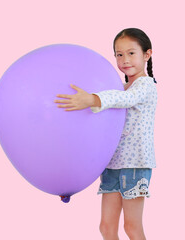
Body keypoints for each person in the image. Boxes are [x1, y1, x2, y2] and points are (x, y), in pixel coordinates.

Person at [54, 28, 157, 240]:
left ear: (147, 54)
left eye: (131, 53)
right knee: (106, 228)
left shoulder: (145, 86)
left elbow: (125, 100)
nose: (125, 60)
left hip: (134, 165)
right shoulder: (119, 87)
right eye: (119, 54)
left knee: (132, 227)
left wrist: (92, 99)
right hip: (111, 165)